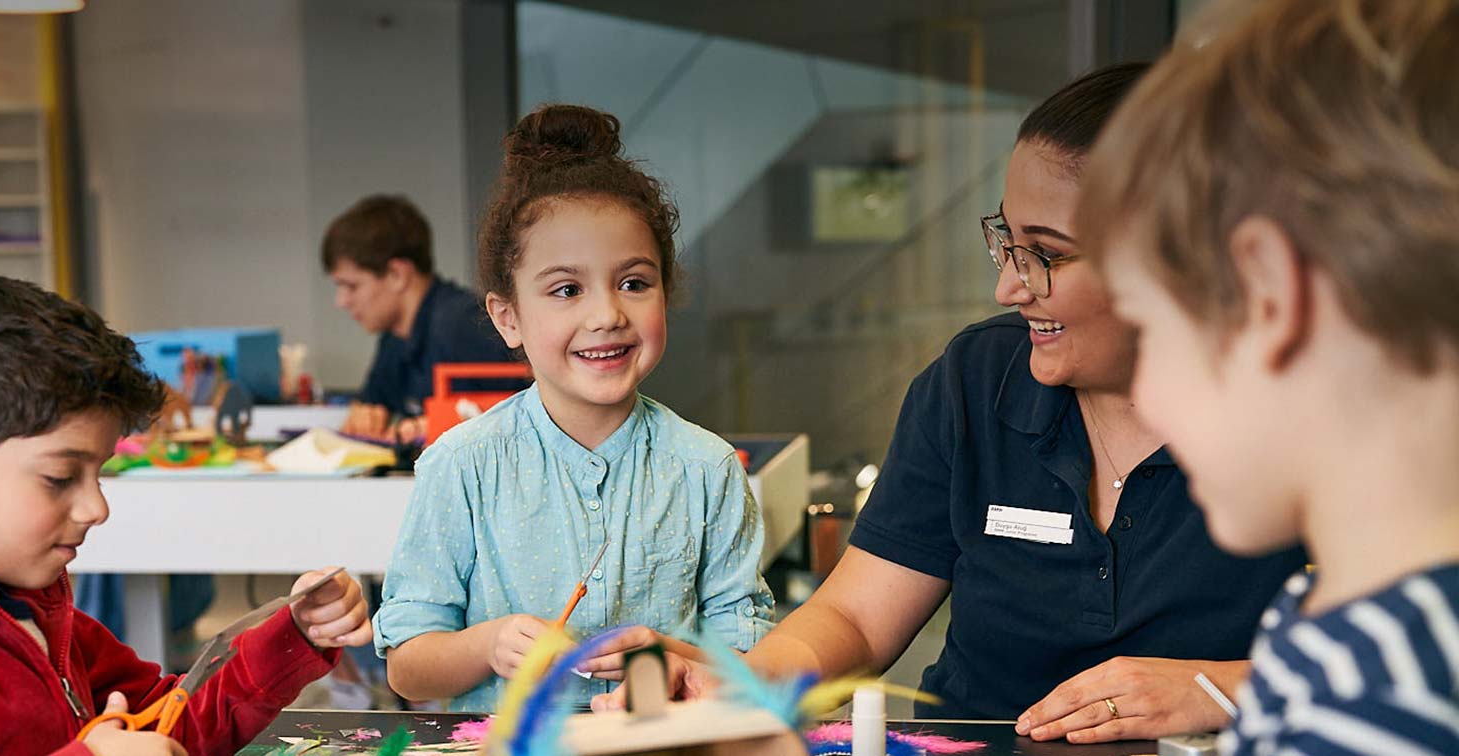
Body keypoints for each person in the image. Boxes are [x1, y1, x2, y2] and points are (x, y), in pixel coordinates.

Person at [599, 64, 1308, 743]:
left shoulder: (1310, 415)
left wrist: (1222, 689)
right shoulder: (977, 379)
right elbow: (856, 616)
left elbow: (1410, 655)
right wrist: (746, 684)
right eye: (1006, 241)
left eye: (1046, 255)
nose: (1009, 287)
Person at [0, 266, 374, 756]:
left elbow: (169, 728)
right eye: (60, 477)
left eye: (99, 474)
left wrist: (290, 638)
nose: (96, 507)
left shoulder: (31, 610)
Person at [1079, 1, 1459, 752]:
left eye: (1153, 332)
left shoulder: (1381, 707)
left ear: (1269, 295)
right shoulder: (1320, 616)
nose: (1144, 393)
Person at [371, 105, 775, 712]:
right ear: (509, 318)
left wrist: (666, 659)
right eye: (566, 290)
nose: (607, 315)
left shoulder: (707, 468)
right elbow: (407, 667)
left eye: (634, 282)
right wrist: (488, 646)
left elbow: (752, 658)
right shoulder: (461, 465)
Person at [321, 195, 518, 442]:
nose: (341, 301)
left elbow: (530, 407)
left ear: (397, 274)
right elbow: (373, 407)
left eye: (351, 286)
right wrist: (365, 417)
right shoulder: (394, 338)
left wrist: (444, 423)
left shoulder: (462, 324)